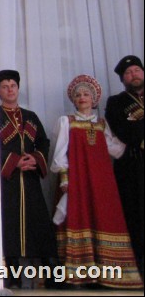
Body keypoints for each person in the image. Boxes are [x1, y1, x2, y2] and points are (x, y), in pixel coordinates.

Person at [51, 74, 143, 289]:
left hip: (102, 181)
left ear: (94, 99)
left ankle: (109, 274)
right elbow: (59, 153)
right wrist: (65, 177)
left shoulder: (102, 124)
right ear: (73, 100)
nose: (82, 97)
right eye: (78, 95)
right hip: (80, 179)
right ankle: (79, 274)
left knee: (104, 218)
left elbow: (117, 149)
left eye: (86, 94)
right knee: (79, 216)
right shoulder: (67, 122)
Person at [0, 69, 58, 288]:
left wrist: (35, 158)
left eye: (13, 85)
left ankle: (51, 276)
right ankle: (13, 277)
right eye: (5, 86)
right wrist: (14, 162)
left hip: (30, 180)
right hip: (8, 181)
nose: (9, 89)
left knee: (39, 224)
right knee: (10, 225)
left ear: (18, 88)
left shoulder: (30, 117)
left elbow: (43, 142)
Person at [105, 55, 144, 277]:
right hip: (133, 166)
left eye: (137, 70)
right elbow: (122, 130)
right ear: (123, 79)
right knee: (136, 215)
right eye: (128, 73)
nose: (134, 74)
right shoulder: (117, 102)